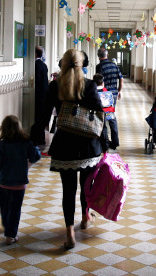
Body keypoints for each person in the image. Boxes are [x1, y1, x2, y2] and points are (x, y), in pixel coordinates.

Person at [45, 49, 108, 250]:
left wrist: (34, 136)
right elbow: (99, 115)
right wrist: (105, 144)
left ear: (62, 64)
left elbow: (44, 113)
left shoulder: (55, 86)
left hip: (65, 145)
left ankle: (70, 232)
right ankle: (85, 217)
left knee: (68, 190)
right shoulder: (89, 85)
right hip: (87, 144)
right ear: (82, 65)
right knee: (86, 185)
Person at [0, 115, 41, 245]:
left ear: (3, 129)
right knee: (15, 208)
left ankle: (7, 226)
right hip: (19, 183)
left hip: (4, 182)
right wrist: (36, 147)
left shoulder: (1, 145)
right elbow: (34, 157)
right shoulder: (26, 144)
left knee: (5, 206)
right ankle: (11, 235)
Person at [95, 47, 122, 149]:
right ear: (107, 55)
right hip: (113, 94)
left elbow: (99, 81)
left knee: (103, 116)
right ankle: (115, 141)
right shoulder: (114, 65)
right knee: (111, 115)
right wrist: (119, 90)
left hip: (104, 94)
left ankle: (105, 142)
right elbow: (121, 78)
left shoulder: (99, 66)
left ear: (98, 56)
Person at [93, 73, 117, 150]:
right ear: (103, 83)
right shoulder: (107, 91)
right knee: (113, 125)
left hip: (100, 113)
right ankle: (115, 142)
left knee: (104, 128)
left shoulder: (94, 92)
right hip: (110, 112)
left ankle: (105, 143)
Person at [31, 46, 49, 146]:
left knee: (37, 117)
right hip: (44, 94)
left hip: (38, 95)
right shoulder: (43, 65)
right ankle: (41, 138)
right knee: (41, 117)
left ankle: (36, 139)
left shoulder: (36, 66)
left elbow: (36, 82)